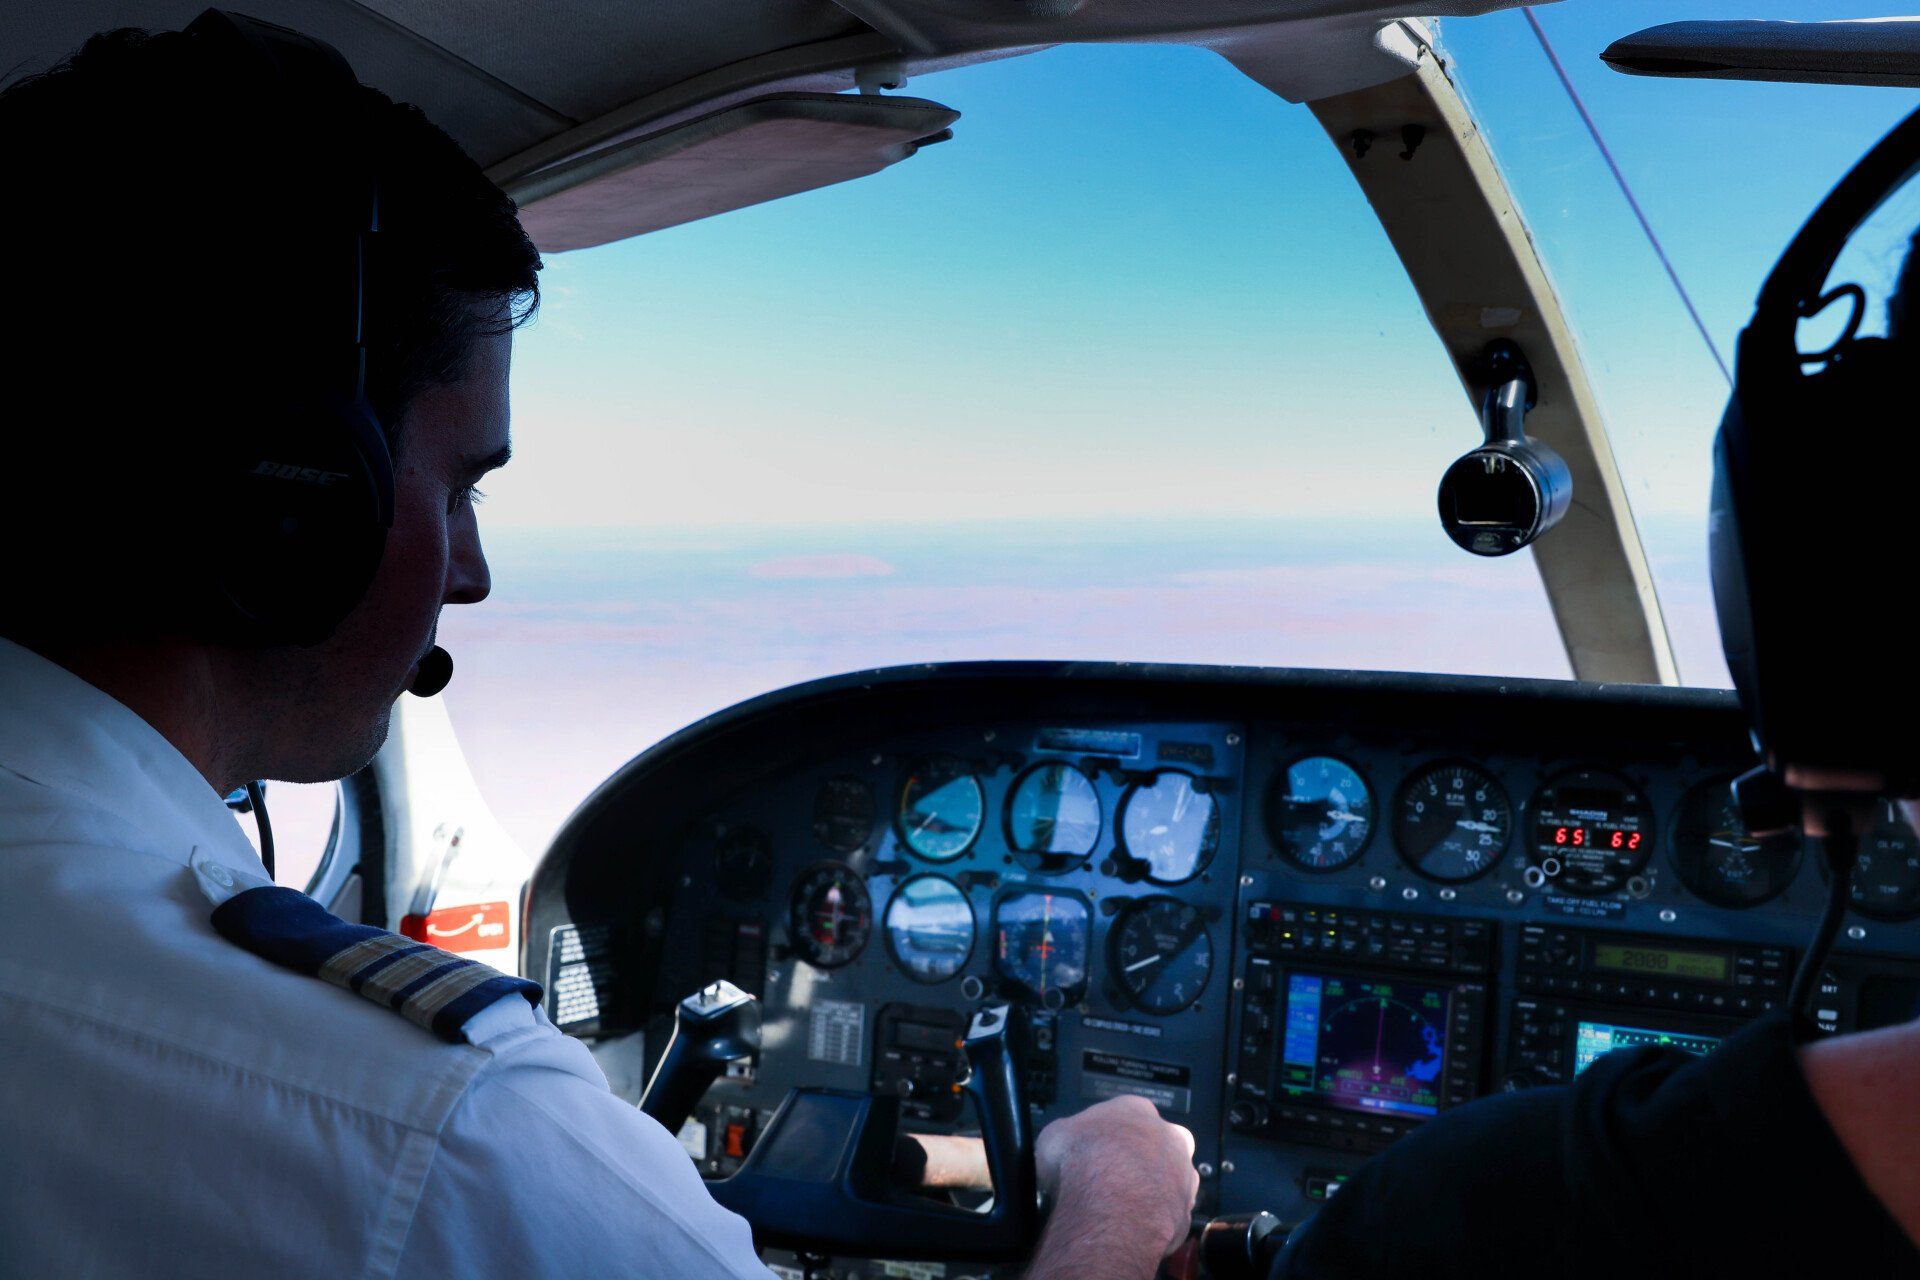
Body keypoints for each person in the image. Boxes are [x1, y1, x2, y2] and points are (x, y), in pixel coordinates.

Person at [0, 17, 1198, 1279]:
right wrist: (1116, 1207)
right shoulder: (445, 1130)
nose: (471, 571)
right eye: (459, 488)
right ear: (292, 497)